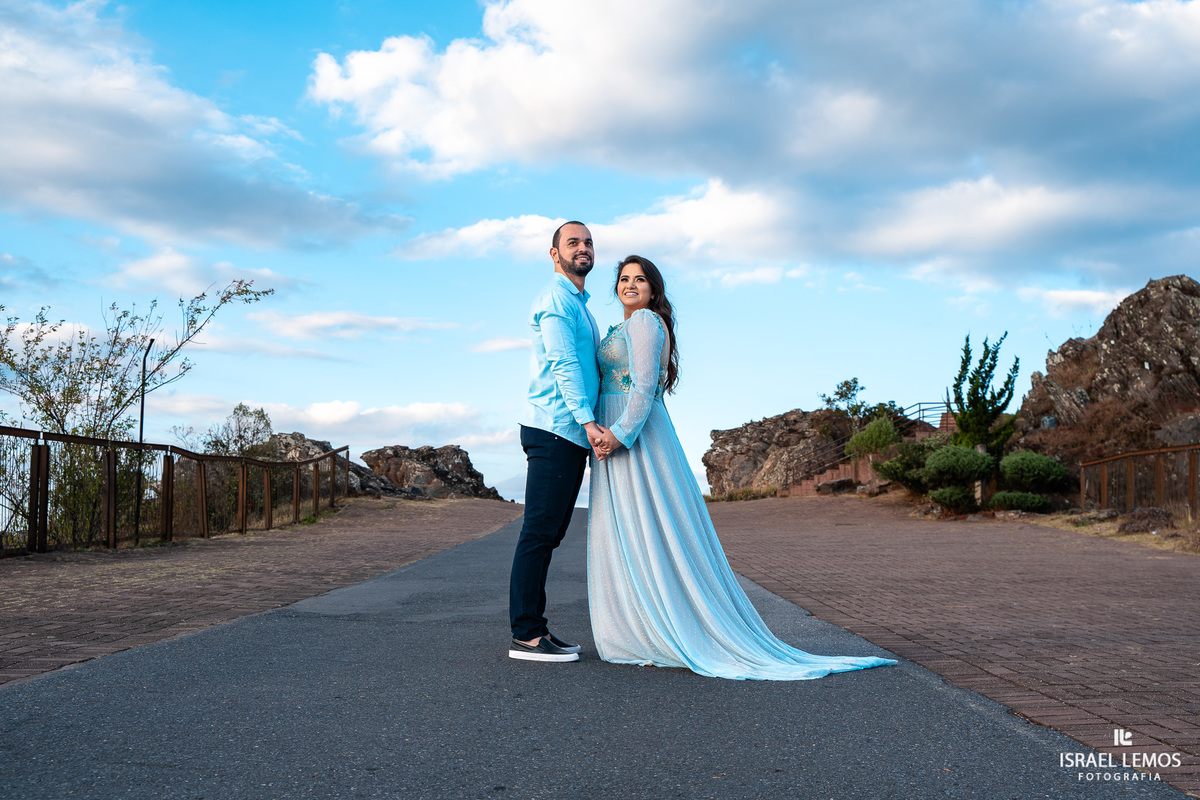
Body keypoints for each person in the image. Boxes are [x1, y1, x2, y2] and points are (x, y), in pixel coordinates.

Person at [587, 255, 897, 680]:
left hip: (631, 433)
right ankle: (646, 625)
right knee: (642, 527)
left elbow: (642, 386)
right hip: (620, 433)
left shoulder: (643, 323)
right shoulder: (626, 326)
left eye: (640, 279)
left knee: (646, 525)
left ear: (654, 290)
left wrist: (618, 435)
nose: (630, 285)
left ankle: (657, 627)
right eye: (624, 279)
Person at [508, 221, 609, 663]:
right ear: (555, 254)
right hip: (556, 427)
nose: (582, 248)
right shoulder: (554, 299)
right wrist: (588, 423)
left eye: (588, 242)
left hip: (568, 431)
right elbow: (565, 364)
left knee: (549, 532)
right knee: (539, 532)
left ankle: (535, 628)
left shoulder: (580, 304)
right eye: (573, 243)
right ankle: (528, 635)